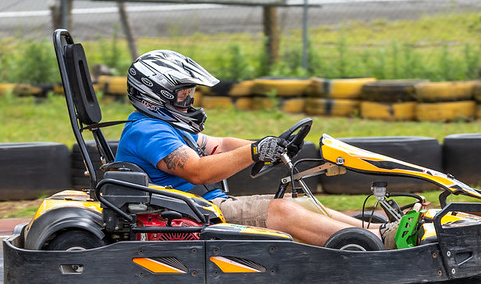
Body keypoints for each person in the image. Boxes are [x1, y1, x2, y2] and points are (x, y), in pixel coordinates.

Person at [115, 49, 385, 247]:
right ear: (154, 97)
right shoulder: (148, 131)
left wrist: (270, 147)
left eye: (189, 93)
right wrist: (254, 153)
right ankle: (375, 243)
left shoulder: (159, 126)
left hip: (201, 208)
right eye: (182, 94)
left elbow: (220, 146)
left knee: (294, 202)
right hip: (187, 217)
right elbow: (198, 172)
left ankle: (377, 230)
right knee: (282, 211)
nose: (188, 100)